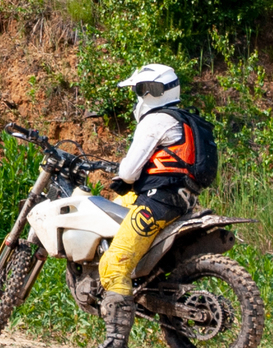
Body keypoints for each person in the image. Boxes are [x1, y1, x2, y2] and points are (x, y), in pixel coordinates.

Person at [95, 64, 208, 348]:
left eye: (139, 90)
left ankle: (115, 339)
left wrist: (124, 177)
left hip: (158, 203)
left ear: (149, 91)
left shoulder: (154, 121)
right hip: (180, 201)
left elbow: (130, 171)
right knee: (119, 204)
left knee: (113, 263)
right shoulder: (183, 120)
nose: (138, 97)